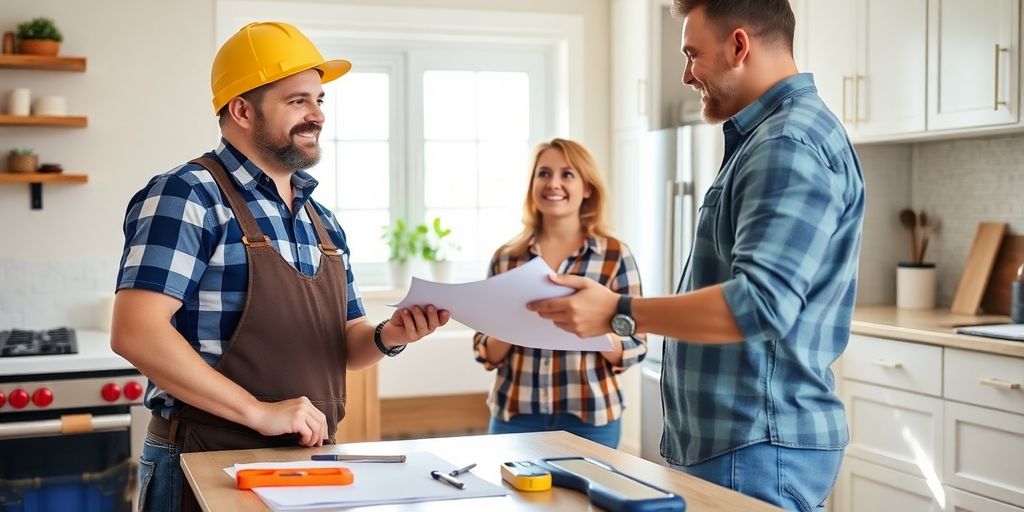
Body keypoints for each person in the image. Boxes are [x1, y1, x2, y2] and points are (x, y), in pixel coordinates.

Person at [526, 1, 865, 510]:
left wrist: (618, 311)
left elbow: (760, 304)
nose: (686, 75)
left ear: (739, 45)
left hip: (755, 445)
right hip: (742, 443)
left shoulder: (787, 142)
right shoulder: (768, 139)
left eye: (692, 54)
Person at [110, 22, 448, 512]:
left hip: (310, 462)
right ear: (242, 110)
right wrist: (259, 413)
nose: (317, 115)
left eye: (320, 100)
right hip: (206, 458)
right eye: (297, 101)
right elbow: (135, 332)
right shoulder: (188, 195)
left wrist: (388, 335)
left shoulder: (321, 219)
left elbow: (346, 340)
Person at [472, 138, 646, 449]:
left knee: (587, 500)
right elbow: (485, 350)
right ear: (532, 185)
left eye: (567, 174)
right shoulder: (506, 258)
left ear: (587, 188)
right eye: (544, 173)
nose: (554, 183)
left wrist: (590, 327)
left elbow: (636, 344)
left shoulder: (615, 255)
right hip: (516, 415)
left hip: (591, 418)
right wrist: (515, 322)